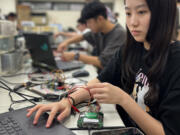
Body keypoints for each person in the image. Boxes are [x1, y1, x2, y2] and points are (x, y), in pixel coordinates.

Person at [26, 0, 180, 134]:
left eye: (141, 12)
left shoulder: (175, 61)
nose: (132, 22)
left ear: (163, 14)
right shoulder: (129, 49)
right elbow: (99, 81)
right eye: (128, 13)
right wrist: (67, 101)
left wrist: (123, 99)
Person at [57, 1, 126, 69]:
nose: (88, 26)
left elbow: (103, 63)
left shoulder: (119, 34)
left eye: (89, 22)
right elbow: (83, 36)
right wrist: (66, 42)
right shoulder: (99, 30)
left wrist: (76, 56)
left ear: (100, 19)